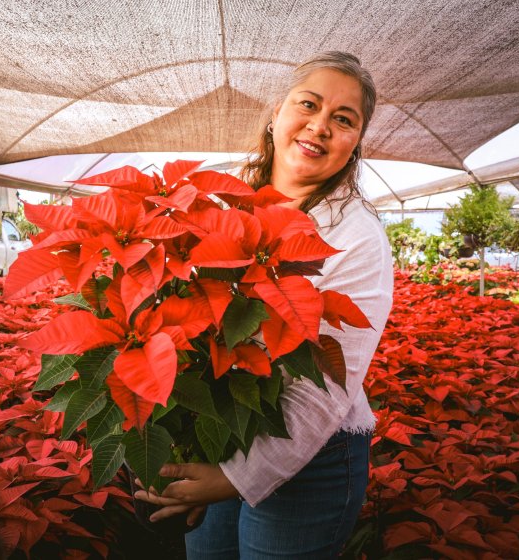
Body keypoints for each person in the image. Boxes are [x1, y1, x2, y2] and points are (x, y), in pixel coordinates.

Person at [134, 51, 394, 559]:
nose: (319, 127)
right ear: (276, 113)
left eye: (343, 120)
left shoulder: (359, 236)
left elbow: (324, 389)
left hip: (317, 451)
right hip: (227, 424)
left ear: (356, 142)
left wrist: (233, 478)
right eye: (309, 105)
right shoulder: (223, 199)